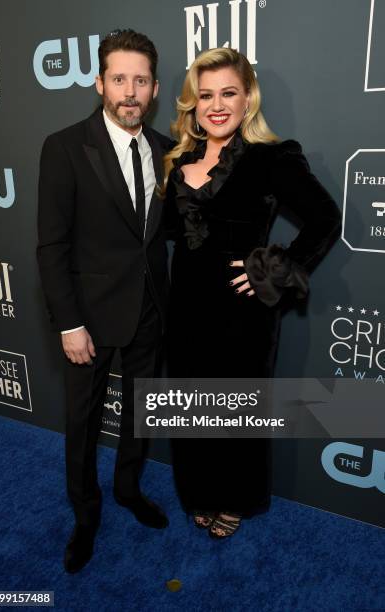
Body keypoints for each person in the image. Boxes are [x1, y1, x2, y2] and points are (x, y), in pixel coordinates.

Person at [163, 48, 341, 539]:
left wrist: (277, 267)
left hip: (242, 312)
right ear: (192, 104)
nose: (216, 105)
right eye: (206, 95)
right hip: (187, 308)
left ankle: (236, 498)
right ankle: (200, 490)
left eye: (228, 93)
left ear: (247, 100)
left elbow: (326, 217)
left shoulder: (270, 158)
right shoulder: (179, 163)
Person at [37, 29, 174, 573]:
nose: (130, 91)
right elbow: (52, 245)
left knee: (140, 414)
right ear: (99, 83)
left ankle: (127, 490)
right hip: (89, 319)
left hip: (150, 311)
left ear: (155, 88)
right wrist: (69, 323)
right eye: (119, 78)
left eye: (140, 80)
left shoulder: (166, 149)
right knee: (83, 422)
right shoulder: (65, 146)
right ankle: (86, 513)